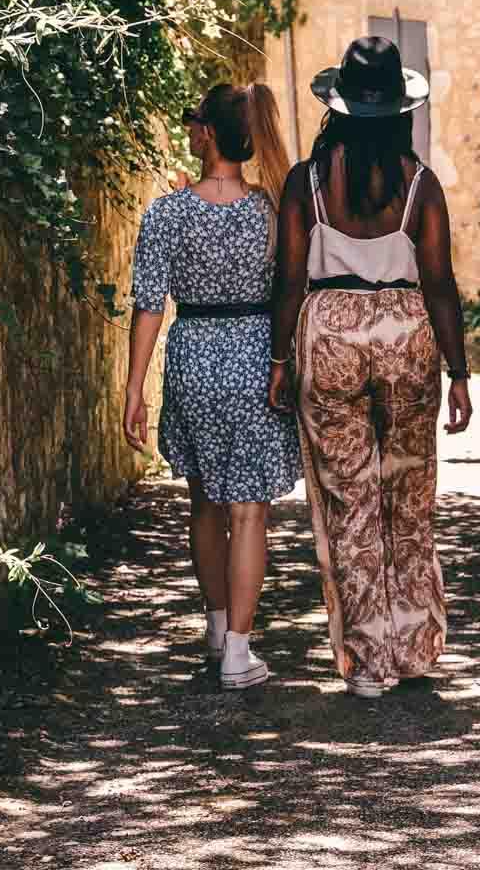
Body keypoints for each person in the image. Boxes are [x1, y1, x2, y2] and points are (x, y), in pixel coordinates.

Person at [268, 36, 472, 699]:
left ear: (340, 107)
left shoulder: (308, 182)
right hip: (408, 335)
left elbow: (290, 280)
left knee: (350, 503)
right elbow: (440, 283)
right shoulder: (419, 184)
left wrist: (278, 358)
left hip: (330, 336)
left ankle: (369, 660)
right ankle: (415, 649)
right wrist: (460, 372)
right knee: (407, 501)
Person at [124, 83, 297, 690]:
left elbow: (148, 307)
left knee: (204, 503)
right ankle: (238, 654)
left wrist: (133, 391)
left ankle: (218, 625)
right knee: (249, 513)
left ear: (208, 135)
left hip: (194, 355)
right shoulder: (273, 210)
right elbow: (290, 294)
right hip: (254, 358)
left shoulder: (167, 212)